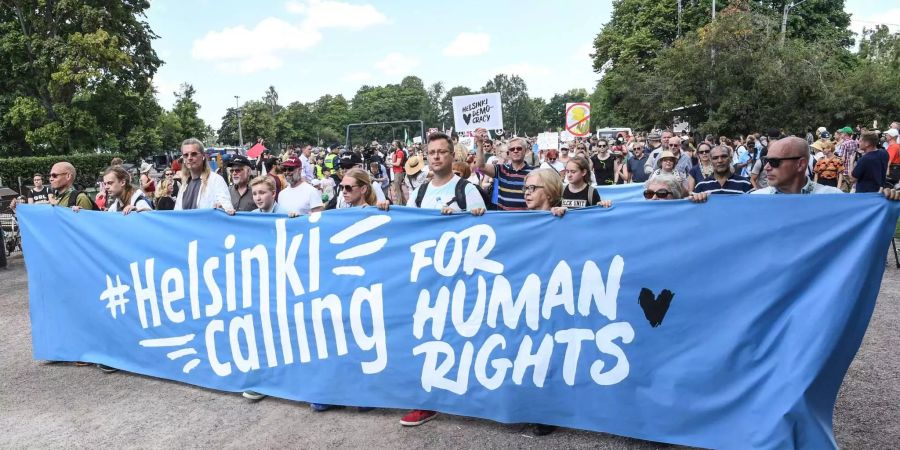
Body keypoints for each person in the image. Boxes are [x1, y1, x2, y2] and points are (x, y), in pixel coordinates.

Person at [376, 132, 485, 428]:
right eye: (432, 152)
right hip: (427, 277)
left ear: (452, 157)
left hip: (460, 278)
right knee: (427, 338)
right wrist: (389, 209)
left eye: (442, 152)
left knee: (462, 337)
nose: (436, 157)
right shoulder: (420, 192)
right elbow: (408, 229)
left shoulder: (467, 189)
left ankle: (472, 395)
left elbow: (486, 231)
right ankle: (427, 400)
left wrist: (469, 216)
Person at [751, 137, 843, 195]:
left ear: (800, 164)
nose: (766, 167)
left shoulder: (832, 197)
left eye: (774, 161)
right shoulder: (756, 199)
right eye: (766, 160)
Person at [474, 129, 532, 210]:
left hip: (525, 219)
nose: (515, 151)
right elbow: (481, 166)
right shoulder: (501, 169)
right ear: (509, 153)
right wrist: (480, 144)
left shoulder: (533, 172)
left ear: (525, 151)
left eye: (519, 148)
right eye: (512, 149)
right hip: (504, 218)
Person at [174, 138, 232, 212]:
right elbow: (177, 213)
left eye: (194, 154)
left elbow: (226, 205)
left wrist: (222, 207)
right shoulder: (184, 185)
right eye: (186, 155)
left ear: (203, 156)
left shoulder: (216, 180)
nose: (189, 158)